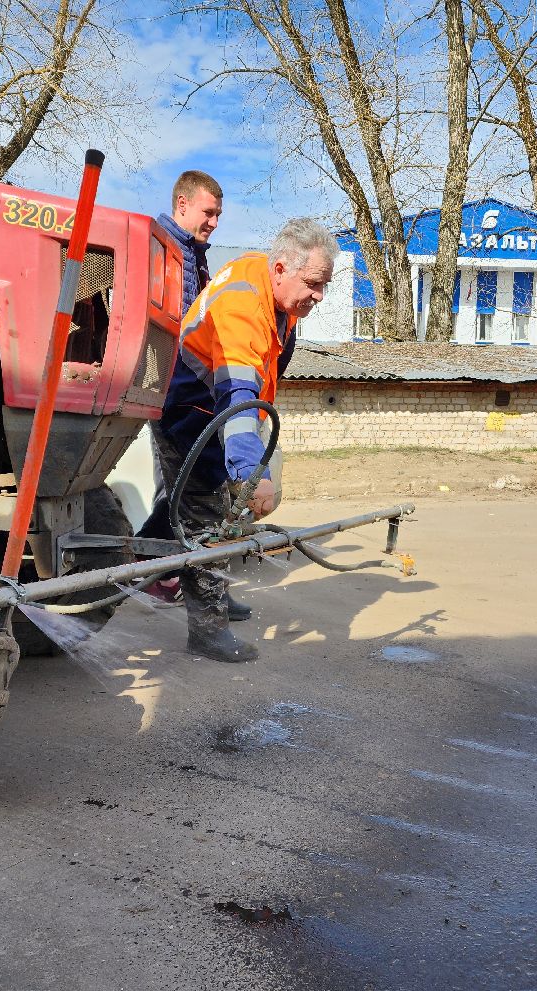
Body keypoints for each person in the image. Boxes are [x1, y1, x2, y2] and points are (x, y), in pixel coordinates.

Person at [137, 218, 337, 663]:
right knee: (205, 519)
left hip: (214, 416)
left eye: (325, 285)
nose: (320, 295)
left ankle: (181, 580)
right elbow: (239, 393)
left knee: (206, 507)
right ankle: (208, 631)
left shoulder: (277, 296)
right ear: (282, 268)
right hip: (189, 416)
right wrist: (251, 472)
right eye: (313, 283)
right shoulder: (243, 304)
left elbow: (259, 383)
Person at [144, 170, 224, 609]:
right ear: (182, 204)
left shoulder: (192, 255)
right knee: (184, 494)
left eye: (217, 215)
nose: (214, 222)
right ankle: (145, 569)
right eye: (208, 212)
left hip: (184, 391)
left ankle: (166, 574)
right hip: (169, 392)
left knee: (182, 492)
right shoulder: (161, 250)